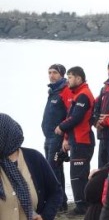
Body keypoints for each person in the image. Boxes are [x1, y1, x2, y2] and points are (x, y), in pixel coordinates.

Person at [56, 66, 95, 216]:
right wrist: (66, 138)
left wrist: (61, 127)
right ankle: (82, 204)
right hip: (77, 139)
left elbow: (77, 117)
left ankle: (82, 206)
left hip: (83, 139)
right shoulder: (77, 94)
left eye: (70, 77)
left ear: (79, 79)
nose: (67, 80)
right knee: (77, 174)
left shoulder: (83, 95)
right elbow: (71, 116)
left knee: (78, 175)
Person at [41, 63, 70, 211]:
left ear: (62, 75)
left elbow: (69, 115)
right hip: (48, 137)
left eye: (55, 73)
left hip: (57, 137)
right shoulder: (53, 91)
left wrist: (66, 137)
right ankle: (61, 201)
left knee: (53, 169)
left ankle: (58, 203)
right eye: (49, 72)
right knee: (54, 169)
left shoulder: (64, 91)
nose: (51, 75)